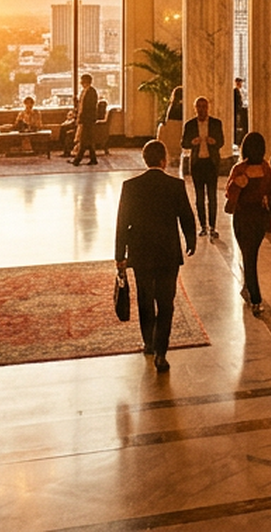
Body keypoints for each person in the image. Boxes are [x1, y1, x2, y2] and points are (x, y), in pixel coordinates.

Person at [114, 139, 197, 372]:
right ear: (164, 160)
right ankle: (162, 352)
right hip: (168, 252)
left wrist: (120, 254)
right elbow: (187, 217)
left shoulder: (130, 187)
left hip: (140, 252)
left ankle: (148, 342)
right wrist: (190, 241)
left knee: (145, 298)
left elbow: (122, 223)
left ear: (144, 159)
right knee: (166, 302)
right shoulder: (176, 185)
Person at [226, 131, 271, 316]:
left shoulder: (239, 169)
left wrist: (238, 184)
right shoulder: (266, 168)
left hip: (243, 217)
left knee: (249, 258)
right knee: (251, 255)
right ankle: (248, 288)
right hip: (259, 217)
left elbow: (229, 195)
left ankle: (255, 298)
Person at [184, 96, 225, 240]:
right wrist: (191, 142)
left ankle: (213, 226)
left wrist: (214, 142)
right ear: (195, 108)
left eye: (204, 106)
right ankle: (202, 226)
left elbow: (221, 141)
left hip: (211, 163)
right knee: (199, 196)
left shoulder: (215, 123)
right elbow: (184, 143)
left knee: (212, 196)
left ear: (208, 108)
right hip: (197, 164)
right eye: (199, 106)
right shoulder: (189, 125)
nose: (201, 109)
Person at [71, 73, 102, 166]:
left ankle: (77, 160)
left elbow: (89, 108)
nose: (80, 82)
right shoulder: (84, 92)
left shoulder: (91, 92)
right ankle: (93, 159)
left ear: (86, 81)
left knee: (84, 140)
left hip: (88, 120)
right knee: (89, 140)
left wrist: (82, 118)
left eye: (82, 81)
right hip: (85, 119)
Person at [159, 86, 185, 170]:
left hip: (171, 130)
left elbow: (166, 119)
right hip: (180, 128)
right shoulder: (183, 107)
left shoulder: (171, 106)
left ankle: (173, 158)